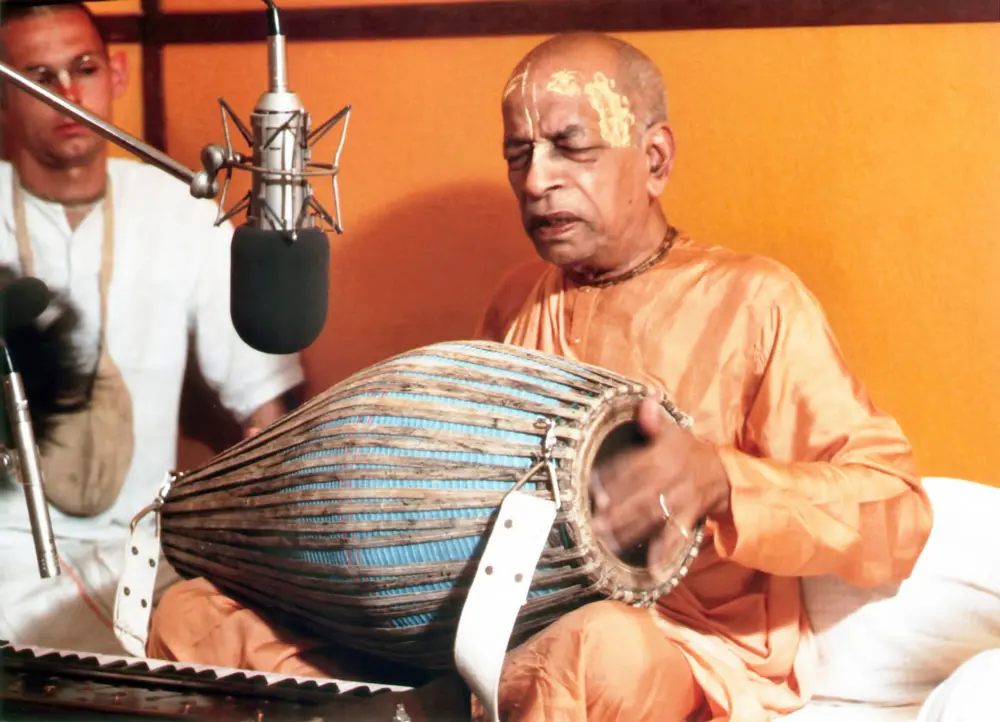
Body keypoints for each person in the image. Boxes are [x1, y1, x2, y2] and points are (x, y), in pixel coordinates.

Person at [144, 32, 934, 721]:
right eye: (518, 153)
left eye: (570, 147)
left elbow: (896, 509)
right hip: (484, 620)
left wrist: (723, 481)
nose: (534, 180)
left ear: (655, 160)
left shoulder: (754, 301)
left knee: (589, 649)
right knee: (193, 615)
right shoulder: (518, 298)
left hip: (668, 641)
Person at [0, 2, 304, 654]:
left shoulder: (179, 205)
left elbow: (264, 408)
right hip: (8, 554)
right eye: (39, 78)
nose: (67, 94)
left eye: (83, 69)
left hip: (142, 551)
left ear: (116, 74)